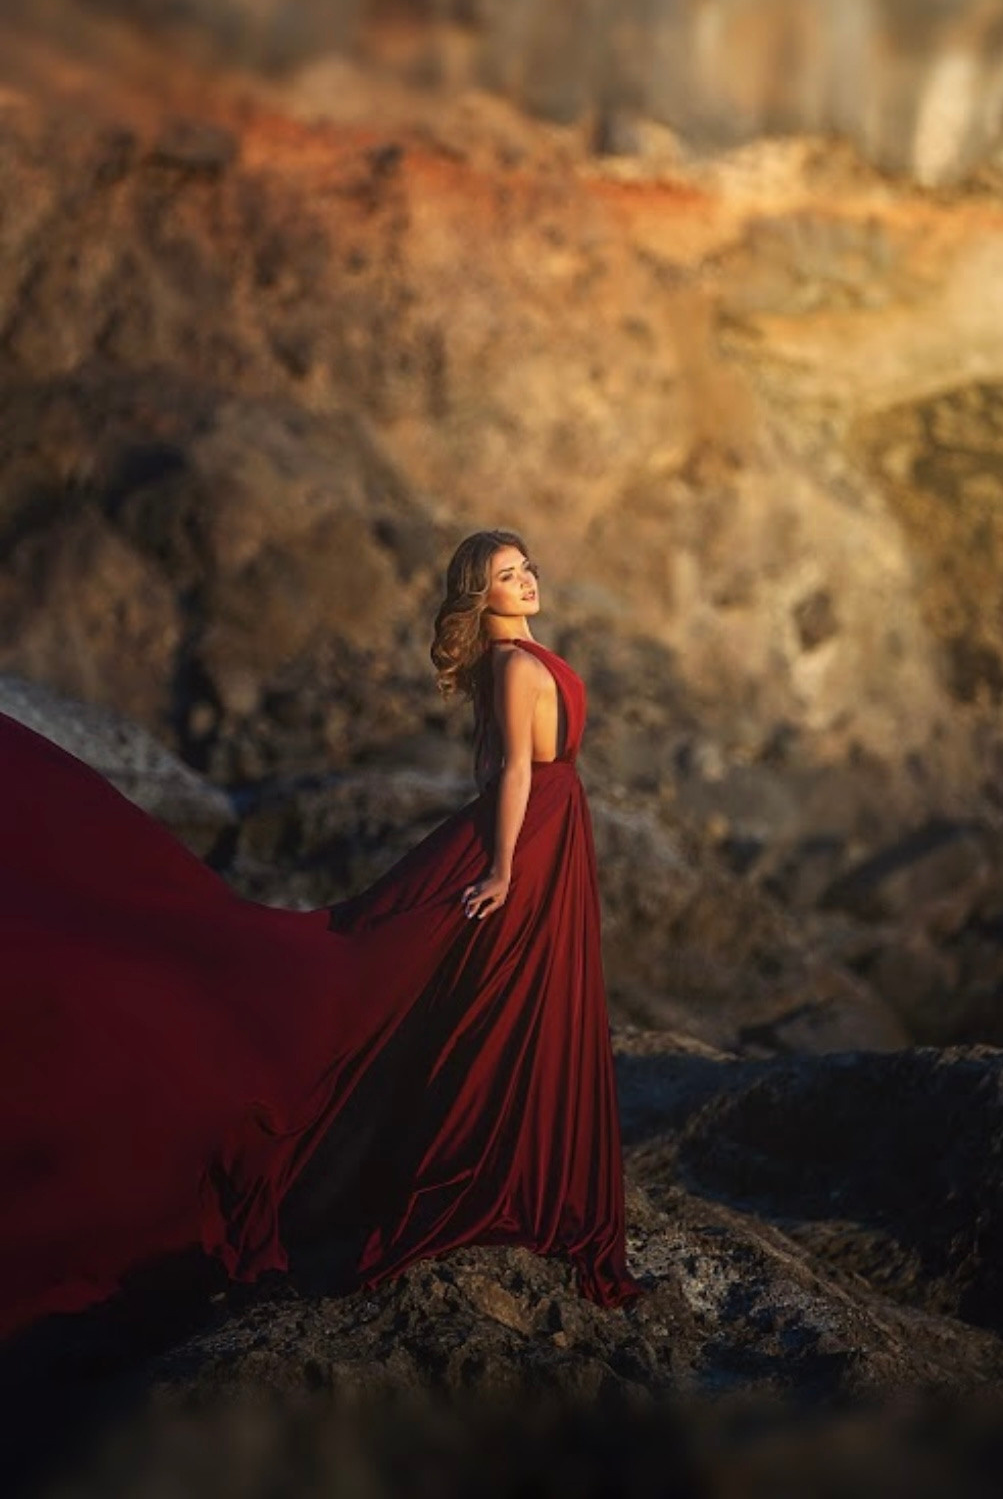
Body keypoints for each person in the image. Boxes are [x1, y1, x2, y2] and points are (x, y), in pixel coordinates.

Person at [0, 528, 642, 1341]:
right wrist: (503, 868)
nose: (526, 580)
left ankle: (487, 1153)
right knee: (459, 991)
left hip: (548, 831)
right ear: (480, 598)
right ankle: (471, 1163)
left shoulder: (518, 660)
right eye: (507, 576)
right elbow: (510, 770)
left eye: (525, 569)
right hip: (529, 839)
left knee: (509, 1000)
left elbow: (500, 768)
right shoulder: (513, 666)